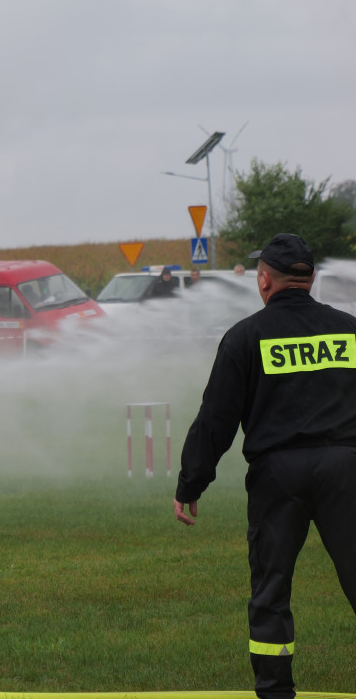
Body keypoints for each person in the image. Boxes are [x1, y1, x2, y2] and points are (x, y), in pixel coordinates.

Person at [173, 233, 356, 699]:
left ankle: (275, 692)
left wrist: (191, 482)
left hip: (277, 475)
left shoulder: (245, 337)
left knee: (271, 590)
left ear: (263, 280)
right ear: (311, 279)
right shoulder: (350, 330)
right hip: (345, 469)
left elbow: (216, 419)